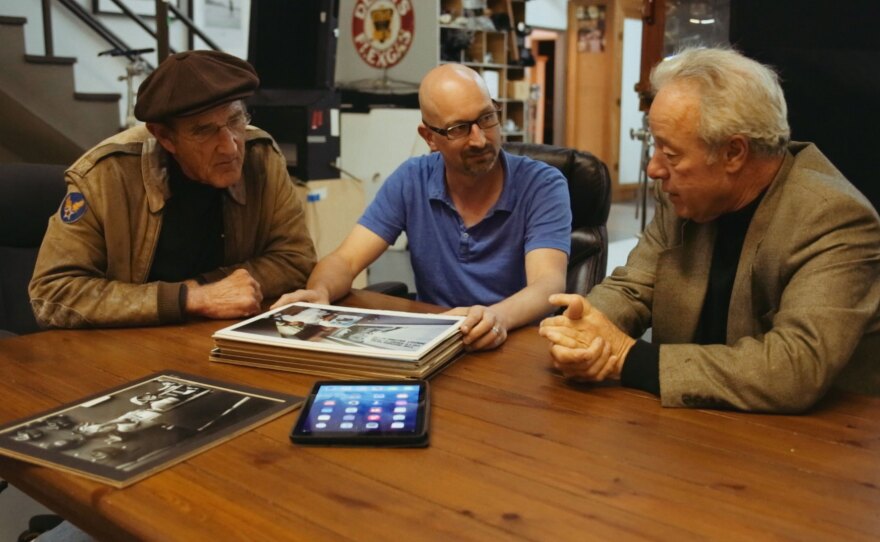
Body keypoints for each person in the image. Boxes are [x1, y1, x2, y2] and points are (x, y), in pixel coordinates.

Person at [539, 47, 880, 413]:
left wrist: (626, 357)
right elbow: (632, 288)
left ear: (734, 152)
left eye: (670, 154)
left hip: (813, 443)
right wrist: (584, 328)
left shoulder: (834, 218)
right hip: (689, 425)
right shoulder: (683, 196)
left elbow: (794, 367)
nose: (654, 169)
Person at [272, 64, 572, 350]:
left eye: (486, 118)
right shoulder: (412, 179)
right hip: (436, 343)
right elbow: (345, 260)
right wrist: (320, 291)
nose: (480, 139)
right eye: (459, 128)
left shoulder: (542, 184)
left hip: (517, 342)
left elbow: (548, 285)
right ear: (429, 137)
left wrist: (496, 318)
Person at [29, 50, 316, 328]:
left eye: (235, 120)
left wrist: (208, 285)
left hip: (216, 335)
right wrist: (187, 298)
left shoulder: (260, 156)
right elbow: (52, 293)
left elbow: (296, 259)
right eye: (204, 131)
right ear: (165, 136)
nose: (229, 146)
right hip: (122, 349)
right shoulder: (104, 175)